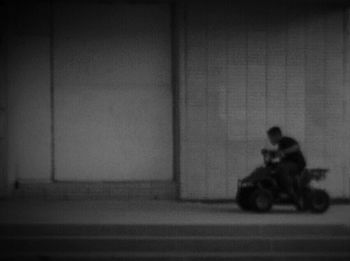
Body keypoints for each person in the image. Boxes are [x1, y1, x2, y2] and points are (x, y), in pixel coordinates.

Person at [266, 126, 306, 209]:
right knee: (274, 169)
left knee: (282, 168)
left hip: (297, 163)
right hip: (289, 164)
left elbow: (296, 147)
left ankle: (290, 192)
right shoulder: (280, 144)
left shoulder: (286, 140)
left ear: (276, 135)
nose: (270, 140)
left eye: (270, 137)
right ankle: (278, 190)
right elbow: (280, 155)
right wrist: (270, 155)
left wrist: (281, 152)